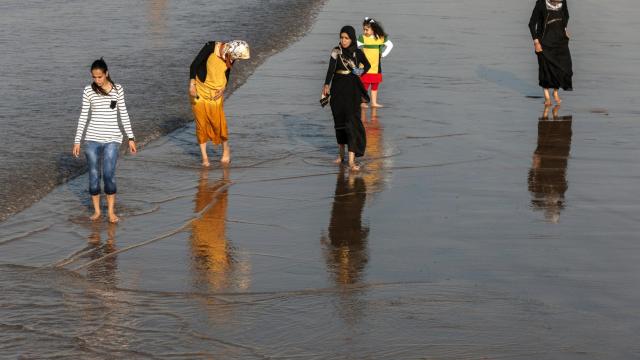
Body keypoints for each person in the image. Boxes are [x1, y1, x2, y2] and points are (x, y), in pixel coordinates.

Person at [73, 58, 137, 224]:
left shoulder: (117, 89)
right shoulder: (88, 91)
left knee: (108, 175)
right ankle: (96, 211)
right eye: (94, 77)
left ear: (106, 74)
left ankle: (111, 212)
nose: (97, 80)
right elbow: (83, 116)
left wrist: (131, 137)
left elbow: (123, 113)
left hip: (113, 139)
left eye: (100, 77)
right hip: (92, 139)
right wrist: (77, 140)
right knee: (94, 176)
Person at [189, 40, 250, 166]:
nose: (236, 60)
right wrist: (192, 84)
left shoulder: (231, 56)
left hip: (216, 94)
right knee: (201, 123)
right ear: (231, 50)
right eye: (237, 57)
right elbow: (194, 65)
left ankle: (226, 149)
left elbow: (227, 73)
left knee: (218, 123)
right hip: (200, 89)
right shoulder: (211, 47)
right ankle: (205, 158)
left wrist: (223, 88)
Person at [323, 26, 371, 171]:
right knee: (339, 123)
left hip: (352, 90)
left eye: (346, 38)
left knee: (351, 124)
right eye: (341, 37)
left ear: (352, 38)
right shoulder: (336, 51)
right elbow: (331, 69)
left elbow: (367, 65)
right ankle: (340, 155)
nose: (343, 41)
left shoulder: (357, 52)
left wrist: (358, 72)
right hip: (337, 90)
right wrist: (326, 84)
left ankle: (351, 161)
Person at [529, 0, 573, 105]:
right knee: (546, 70)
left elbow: (566, 15)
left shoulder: (563, 1)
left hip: (560, 41)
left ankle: (555, 92)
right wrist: (536, 42)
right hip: (544, 42)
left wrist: (565, 28)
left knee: (565, 69)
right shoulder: (541, 3)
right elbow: (531, 24)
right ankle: (547, 96)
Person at [358, 17, 393, 108]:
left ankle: (374, 102)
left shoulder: (380, 38)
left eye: (367, 29)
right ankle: (363, 102)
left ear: (373, 29)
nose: (365, 31)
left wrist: (383, 54)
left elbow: (390, 45)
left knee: (375, 84)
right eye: (364, 29)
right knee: (364, 85)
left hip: (376, 66)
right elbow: (354, 47)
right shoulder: (363, 38)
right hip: (364, 66)